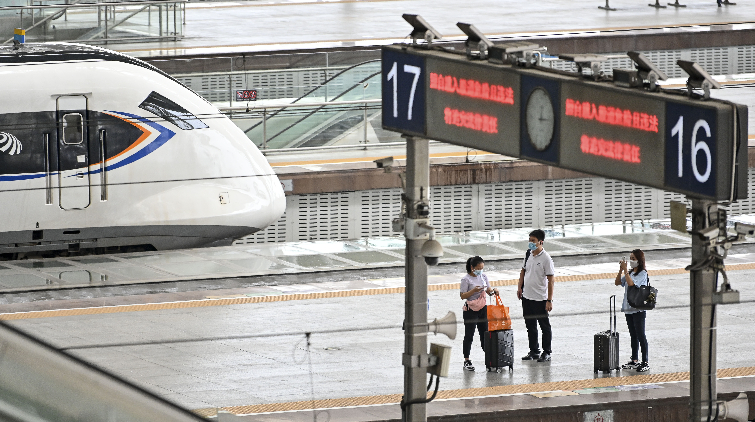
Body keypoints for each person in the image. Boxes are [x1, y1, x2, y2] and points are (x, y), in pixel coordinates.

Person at [517, 229, 555, 362]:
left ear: (541, 242)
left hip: (540, 299)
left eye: (533, 241)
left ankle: (547, 352)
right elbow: (523, 271)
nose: (530, 243)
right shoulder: (528, 254)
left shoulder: (546, 259)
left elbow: (551, 281)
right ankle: (534, 351)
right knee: (530, 326)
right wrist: (519, 287)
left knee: (544, 326)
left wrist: (549, 300)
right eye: (529, 240)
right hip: (527, 297)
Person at [460, 256, 499, 371]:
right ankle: (467, 360)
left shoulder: (483, 276)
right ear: (472, 268)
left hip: (483, 309)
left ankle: (490, 359)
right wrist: (473, 291)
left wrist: (494, 291)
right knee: (469, 336)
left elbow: (489, 290)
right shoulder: (466, 280)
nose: (480, 270)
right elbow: (462, 295)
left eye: (482, 268)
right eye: (478, 268)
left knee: (485, 334)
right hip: (470, 311)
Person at [615, 249, 650, 372]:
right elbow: (618, 282)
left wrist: (625, 271)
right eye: (630, 258)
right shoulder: (630, 273)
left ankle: (645, 361)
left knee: (641, 334)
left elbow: (631, 284)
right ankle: (634, 360)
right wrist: (621, 270)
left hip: (638, 308)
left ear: (640, 260)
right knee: (633, 335)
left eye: (634, 259)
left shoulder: (642, 274)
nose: (631, 261)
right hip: (628, 308)